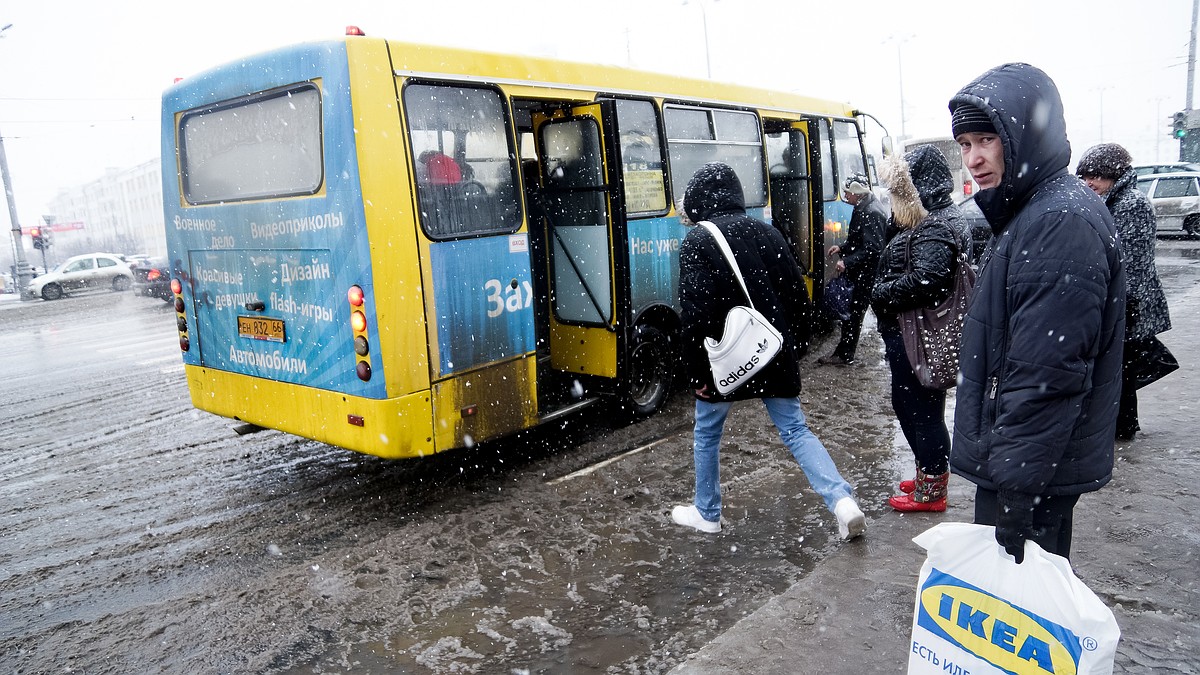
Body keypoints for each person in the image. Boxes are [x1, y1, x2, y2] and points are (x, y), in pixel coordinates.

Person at [949, 64, 1125, 563]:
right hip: (1031, 464)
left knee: (1019, 616)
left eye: (987, 139)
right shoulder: (1040, 208)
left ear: (1025, 136)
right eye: (964, 145)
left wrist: (1017, 492)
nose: (974, 159)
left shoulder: (1057, 221)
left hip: (1030, 472)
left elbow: (1046, 373)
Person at [670, 162, 866, 541]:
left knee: (708, 433)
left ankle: (707, 512)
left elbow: (696, 315)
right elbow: (798, 297)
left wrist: (697, 376)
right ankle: (843, 502)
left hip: (725, 360)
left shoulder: (698, 240)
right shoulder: (768, 231)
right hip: (770, 351)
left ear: (698, 200)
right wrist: (791, 347)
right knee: (795, 429)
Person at [871, 145, 969, 512]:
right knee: (911, 405)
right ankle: (929, 472)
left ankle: (932, 489)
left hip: (918, 335)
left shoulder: (935, 224)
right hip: (911, 333)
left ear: (915, 188)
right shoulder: (929, 218)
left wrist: (880, 293)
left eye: (899, 191)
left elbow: (928, 280)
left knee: (920, 410)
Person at [1076, 143, 1172, 441]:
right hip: (1126, 300)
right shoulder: (1113, 200)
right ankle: (1121, 424)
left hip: (1132, 301)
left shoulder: (1131, 203)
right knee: (1122, 366)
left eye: (1096, 175)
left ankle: (1123, 427)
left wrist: (1124, 302)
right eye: (1085, 176)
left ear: (1113, 173)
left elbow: (1131, 260)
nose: (1089, 182)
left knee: (1123, 368)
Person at [819, 173, 887, 366]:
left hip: (865, 275)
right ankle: (843, 352)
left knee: (853, 314)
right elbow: (859, 241)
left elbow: (873, 250)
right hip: (863, 273)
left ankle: (845, 354)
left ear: (858, 192)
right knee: (851, 314)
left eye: (848, 192)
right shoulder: (864, 206)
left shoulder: (871, 212)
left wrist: (847, 261)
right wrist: (842, 247)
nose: (845, 196)